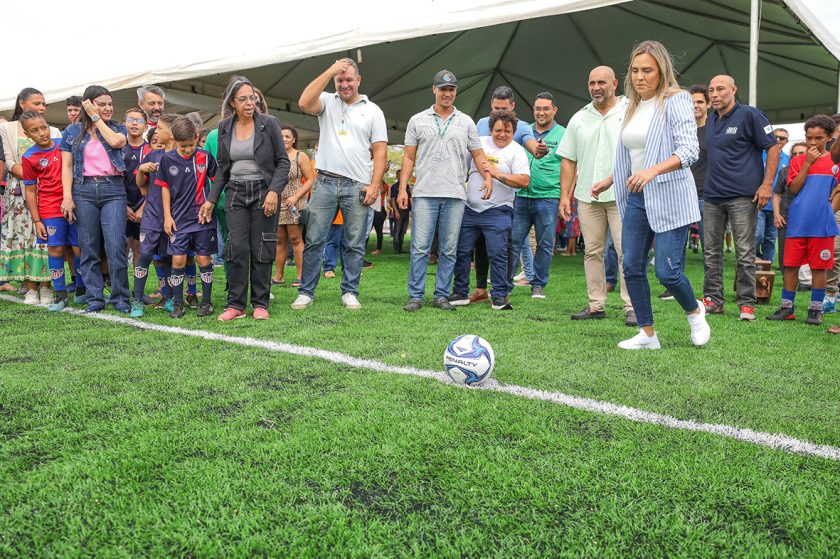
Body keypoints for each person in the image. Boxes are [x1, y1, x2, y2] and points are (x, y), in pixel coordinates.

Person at [593, 40, 710, 350]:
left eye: (647, 70)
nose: (640, 77)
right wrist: (609, 180)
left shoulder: (677, 100)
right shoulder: (630, 106)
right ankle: (647, 334)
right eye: (634, 70)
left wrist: (653, 171)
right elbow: (635, 154)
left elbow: (688, 150)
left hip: (669, 196)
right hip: (636, 198)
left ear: (662, 71)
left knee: (667, 272)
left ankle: (695, 311)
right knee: (630, 265)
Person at [292, 58, 387, 310]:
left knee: (354, 242)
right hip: (324, 181)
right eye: (339, 80)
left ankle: (350, 291)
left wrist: (375, 184)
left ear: (359, 81)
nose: (344, 85)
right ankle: (306, 292)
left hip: (357, 184)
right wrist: (330, 70)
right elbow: (303, 102)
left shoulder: (373, 110)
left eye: (348, 80)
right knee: (314, 239)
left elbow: (379, 151)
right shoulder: (327, 101)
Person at [397, 69, 491, 312]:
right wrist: (403, 189)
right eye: (443, 89)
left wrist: (488, 176)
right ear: (434, 90)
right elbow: (408, 157)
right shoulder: (417, 120)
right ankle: (415, 296)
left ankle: (440, 295)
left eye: (451, 89)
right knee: (420, 246)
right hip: (425, 192)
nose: (447, 93)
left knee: (449, 249)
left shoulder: (466, 121)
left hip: (455, 193)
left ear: (455, 91)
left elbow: (478, 154)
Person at [200, 75, 290, 320]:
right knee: (236, 247)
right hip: (236, 192)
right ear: (232, 103)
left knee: (261, 247)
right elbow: (221, 169)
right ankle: (236, 305)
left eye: (252, 98)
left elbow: (283, 162)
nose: (249, 103)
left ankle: (260, 303)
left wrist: (273, 191)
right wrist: (210, 200)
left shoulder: (269, 123)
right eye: (243, 99)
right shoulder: (224, 127)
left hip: (264, 191)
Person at [558, 66, 635, 325]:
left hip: (623, 194)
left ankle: (632, 306)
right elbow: (568, 159)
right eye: (592, 83)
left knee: (627, 251)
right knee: (592, 251)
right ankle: (596, 305)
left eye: (602, 82)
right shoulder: (579, 118)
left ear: (615, 84)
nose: (596, 88)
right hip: (587, 197)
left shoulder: (630, 110)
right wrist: (564, 196)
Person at [702, 75, 781, 321]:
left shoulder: (751, 115)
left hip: (743, 196)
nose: (714, 94)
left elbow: (774, 148)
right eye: (711, 90)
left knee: (745, 252)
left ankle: (747, 303)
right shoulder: (711, 120)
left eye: (720, 89)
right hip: (713, 195)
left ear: (734, 90)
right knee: (711, 252)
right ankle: (713, 300)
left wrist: (767, 185)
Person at [469, 86, 546, 303]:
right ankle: (481, 288)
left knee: (508, 243)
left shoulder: (521, 127)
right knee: (481, 245)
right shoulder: (481, 124)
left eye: (503, 108)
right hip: (482, 196)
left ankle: (505, 287)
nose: (498, 112)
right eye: (495, 108)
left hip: (510, 194)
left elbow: (531, 146)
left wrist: (538, 149)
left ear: (512, 107)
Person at [449, 109, 529, 310]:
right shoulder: (479, 143)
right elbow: (463, 169)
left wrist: (497, 175)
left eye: (507, 131)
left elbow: (524, 180)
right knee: (462, 251)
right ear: (491, 129)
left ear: (513, 131)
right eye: (498, 130)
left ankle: (500, 296)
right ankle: (460, 291)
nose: (502, 134)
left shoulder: (516, 150)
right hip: (470, 209)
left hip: (498, 210)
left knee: (498, 253)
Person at [60, 85, 129, 313]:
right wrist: (67, 196)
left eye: (110, 104)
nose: (108, 108)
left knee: (116, 245)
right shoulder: (71, 131)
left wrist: (96, 117)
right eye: (102, 104)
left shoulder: (118, 128)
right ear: (88, 104)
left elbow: (116, 143)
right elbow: (67, 165)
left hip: (113, 190)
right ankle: (94, 299)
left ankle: (120, 299)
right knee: (88, 247)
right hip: (83, 190)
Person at [767, 115, 839, 326]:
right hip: (797, 223)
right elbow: (794, 188)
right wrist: (808, 163)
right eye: (809, 138)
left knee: (819, 268)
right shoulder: (798, 160)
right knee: (790, 266)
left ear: (829, 137)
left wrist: (829, 210)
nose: (813, 142)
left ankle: (815, 310)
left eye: (818, 138)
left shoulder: (835, 163)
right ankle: (787, 308)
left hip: (822, 226)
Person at [20, 111, 84, 311]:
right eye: (35, 130)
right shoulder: (29, 157)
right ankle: (61, 295)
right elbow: (30, 191)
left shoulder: (63, 143)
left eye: (44, 127)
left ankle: (82, 290)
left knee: (79, 247)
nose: (42, 133)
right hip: (50, 209)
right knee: (55, 249)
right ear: (27, 134)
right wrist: (37, 220)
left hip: (74, 203)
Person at [0, 88, 57, 304]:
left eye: (44, 104)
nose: (41, 108)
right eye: (36, 103)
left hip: (47, 192)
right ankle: (30, 287)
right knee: (23, 239)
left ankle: (47, 286)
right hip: (19, 192)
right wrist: (34, 179)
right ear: (22, 103)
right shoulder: (7, 128)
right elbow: (10, 161)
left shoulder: (53, 131)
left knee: (44, 238)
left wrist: (44, 182)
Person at [158, 117, 218, 318]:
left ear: (197, 137)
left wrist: (210, 203)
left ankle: (206, 302)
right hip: (179, 219)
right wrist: (167, 216)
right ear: (174, 139)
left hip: (203, 218)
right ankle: (177, 303)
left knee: (203, 259)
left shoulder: (205, 156)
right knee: (178, 260)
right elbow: (164, 188)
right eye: (183, 146)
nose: (188, 149)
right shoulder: (167, 160)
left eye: (191, 145)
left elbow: (216, 181)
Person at [510, 92, 566, 300]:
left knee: (544, 243)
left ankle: (538, 284)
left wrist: (564, 197)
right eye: (537, 109)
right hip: (521, 195)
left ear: (554, 110)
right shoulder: (524, 131)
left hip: (548, 196)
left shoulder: (563, 134)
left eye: (545, 109)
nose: (541, 113)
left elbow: (568, 167)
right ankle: (505, 283)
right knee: (514, 241)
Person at [131, 116, 177, 316]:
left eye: (159, 128)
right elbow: (140, 184)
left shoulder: (183, 156)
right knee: (145, 256)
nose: (155, 132)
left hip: (174, 216)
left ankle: (170, 297)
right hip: (151, 215)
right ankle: (137, 301)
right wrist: (141, 170)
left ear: (172, 133)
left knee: (168, 258)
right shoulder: (152, 156)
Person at [273, 124, 313, 287]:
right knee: (279, 240)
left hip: (295, 201)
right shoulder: (274, 156)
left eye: (288, 136)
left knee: (296, 238)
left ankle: (300, 275)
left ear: (294, 139)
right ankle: (278, 276)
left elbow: (310, 179)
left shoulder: (300, 156)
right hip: (277, 201)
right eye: (281, 136)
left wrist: (296, 197)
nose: (284, 139)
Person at [755, 128, 790, 262]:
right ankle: (750, 261)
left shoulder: (788, 159)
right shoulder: (760, 154)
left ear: (787, 141)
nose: (777, 140)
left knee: (770, 237)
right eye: (775, 136)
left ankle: (766, 264)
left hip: (777, 207)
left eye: (782, 138)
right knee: (757, 235)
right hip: (759, 203)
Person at [122, 107, 148, 268]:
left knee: (139, 249)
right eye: (131, 120)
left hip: (143, 205)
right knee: (122, 248)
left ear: (146, 126)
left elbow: (155, 184)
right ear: (124, 124)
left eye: (139, 121)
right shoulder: (118, 147)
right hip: (122, 205)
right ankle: (121, 289)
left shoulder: (150, 149)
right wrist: (123, 206)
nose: (134, 124)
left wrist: (143, 208)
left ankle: (138, 291)